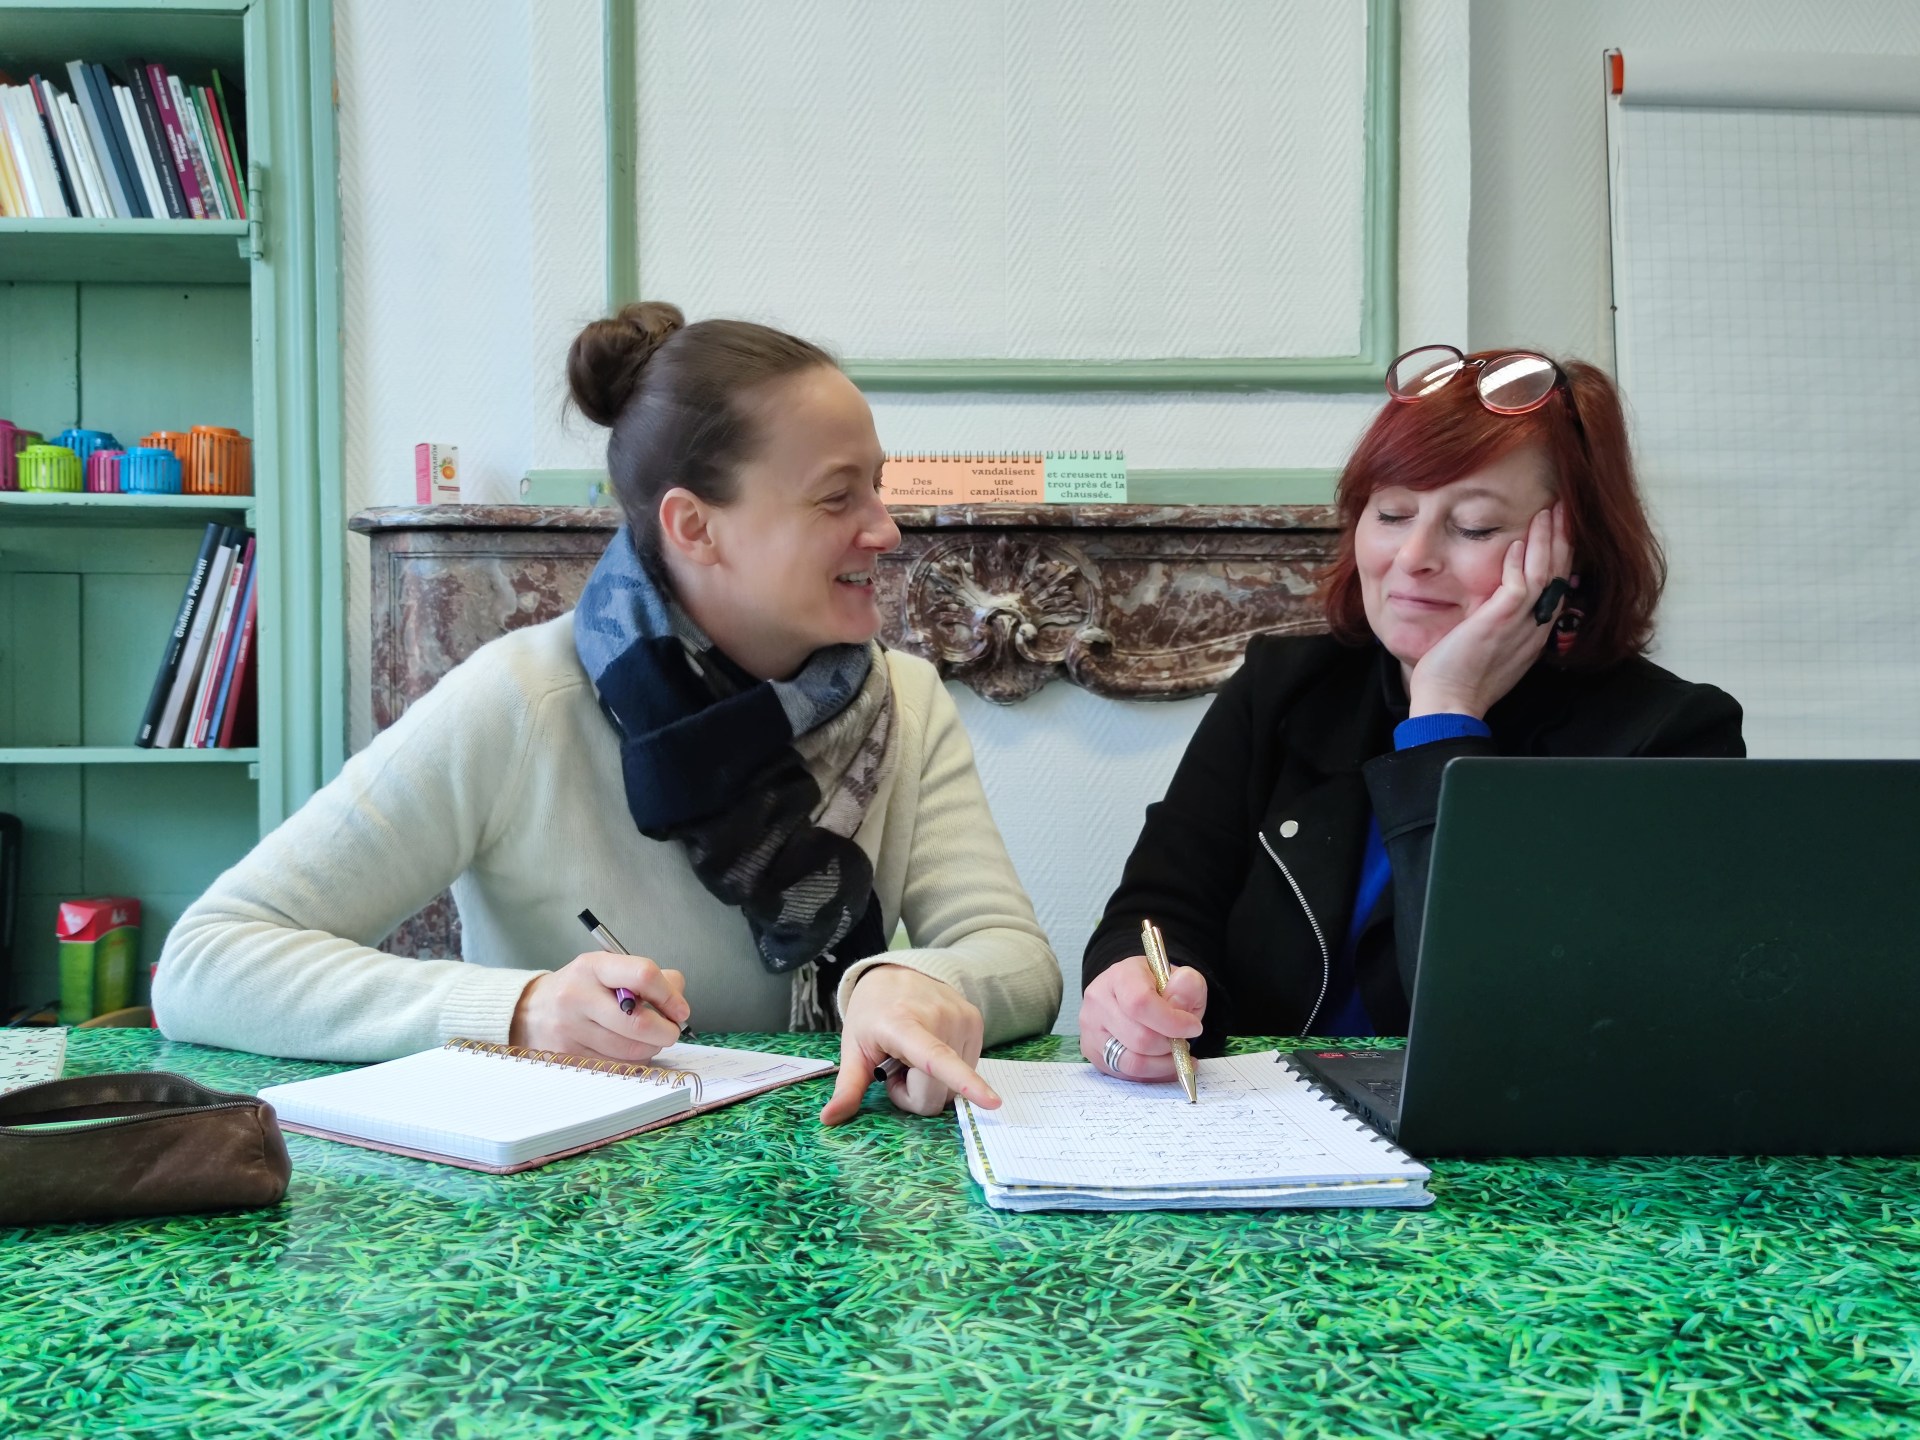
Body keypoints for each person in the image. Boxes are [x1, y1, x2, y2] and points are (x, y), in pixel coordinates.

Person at [156, 302, 1061, 1125]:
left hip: (836, 1209)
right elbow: (208, 960)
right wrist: (517, 1011)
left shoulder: (907, 700)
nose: (887, 529)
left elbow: (1015, 956)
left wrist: (912, 980)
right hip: (564, 1219)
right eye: (837, 497)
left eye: (877, 486)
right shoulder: (518, 699)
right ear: (694, 526)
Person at [1079, 345, 1744, 1078]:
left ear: (1570, 557)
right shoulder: (1284, 688)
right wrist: (1135, 994)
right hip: (1266, 1123)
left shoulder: (1668, 737)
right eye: (1392, 513)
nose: (1413, 555)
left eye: (1475, 527)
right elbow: (1158, 908)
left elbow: (1512, 1033)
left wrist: (1444, 719)